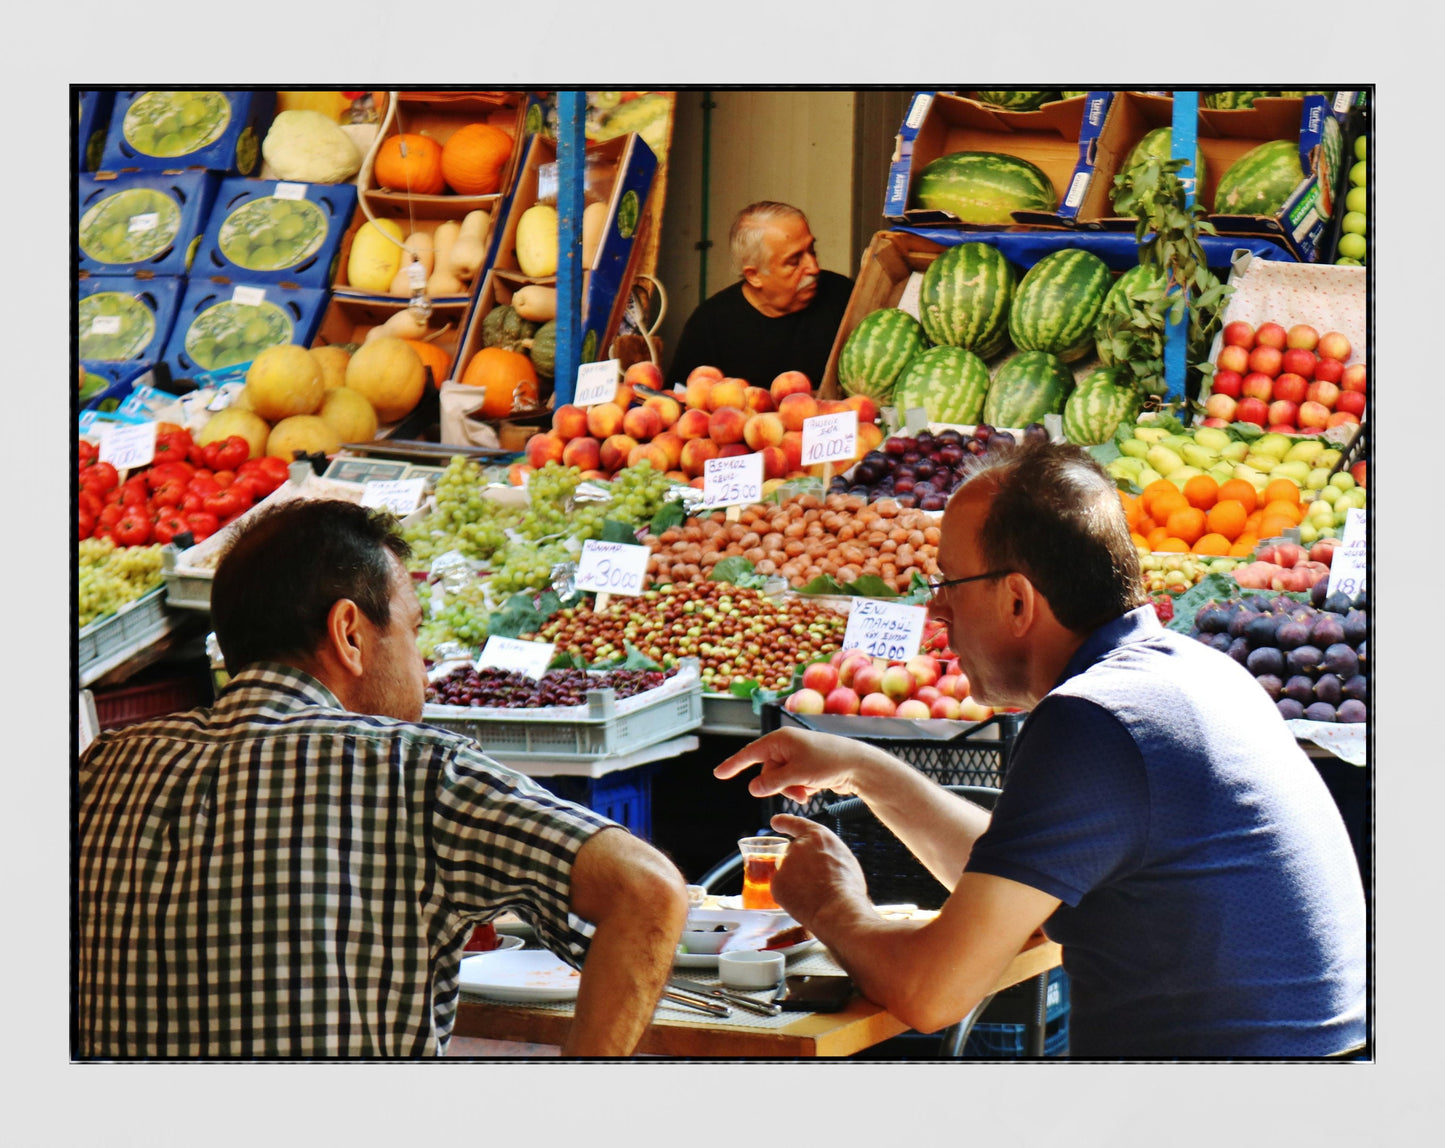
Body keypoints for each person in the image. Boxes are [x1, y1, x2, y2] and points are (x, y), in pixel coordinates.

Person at [716, 441, 1367, 1058]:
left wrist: (831, 906)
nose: (936, 611)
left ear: (1017, 598)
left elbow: (930, 991)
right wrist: (865, 770)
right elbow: (1028, 893)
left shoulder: (1095, 719)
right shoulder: (1184, 672)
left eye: (948, 583)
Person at [76, 499, 689, 1058]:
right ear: (349, 634)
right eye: (413, 629)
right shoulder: (417, 772)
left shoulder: (104, 768)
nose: (421, 663)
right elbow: (649, 889)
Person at [667, 201, 853, 389]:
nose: (813, 267)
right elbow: (683, 401)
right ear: (754, 275)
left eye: (812, 251)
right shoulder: (709, 326)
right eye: (794, 261)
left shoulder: (843, 298)